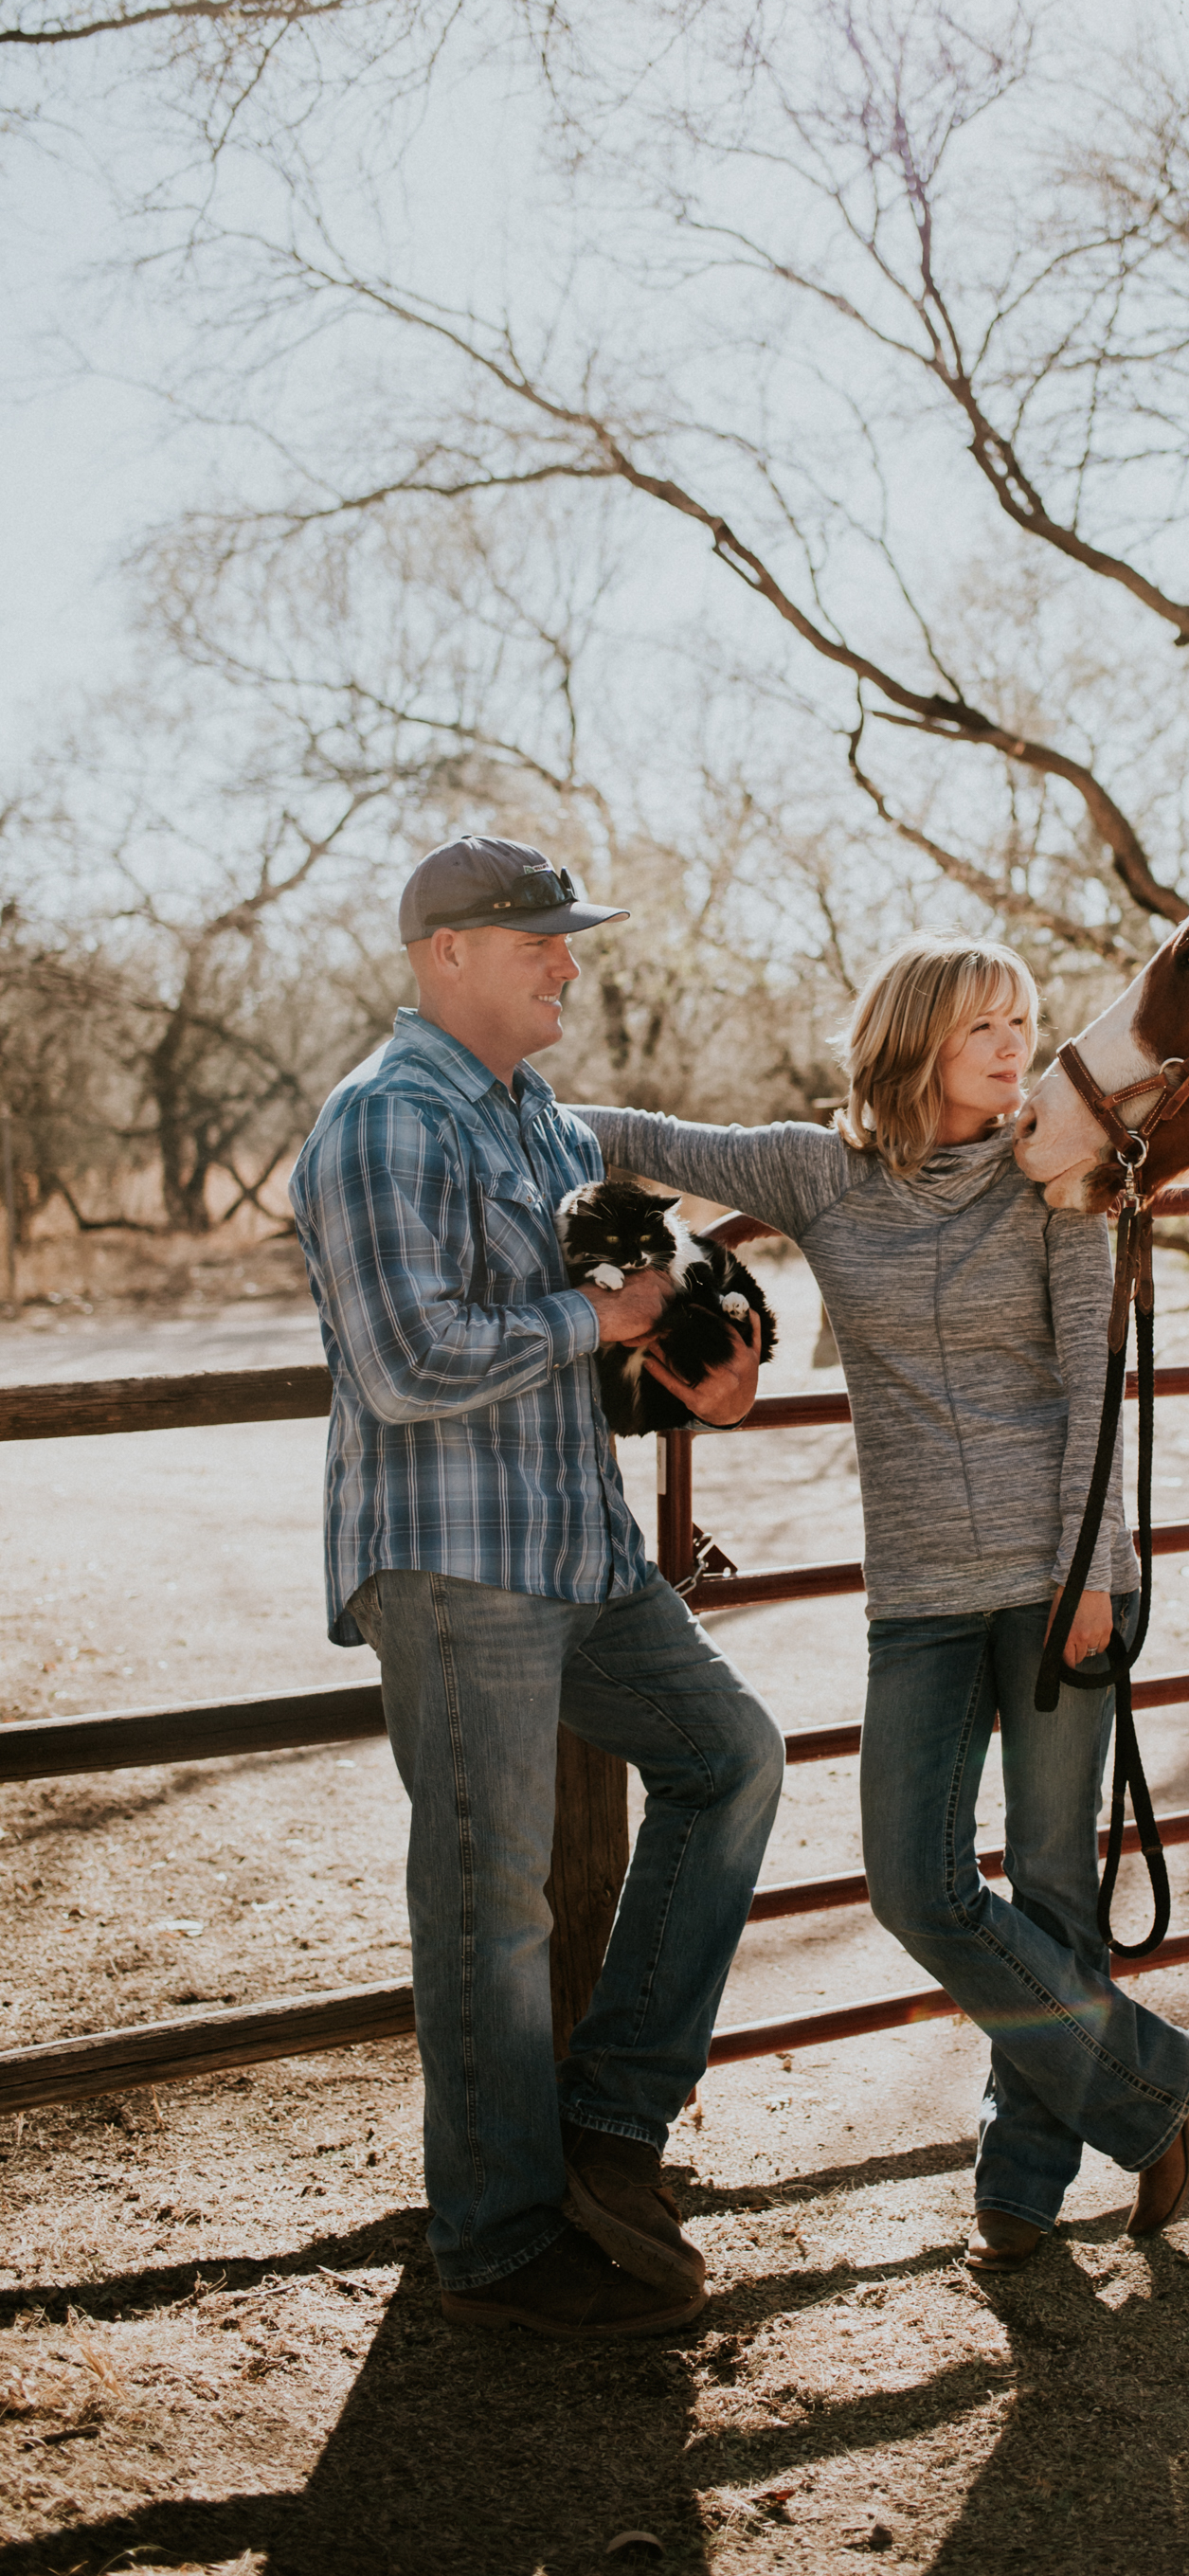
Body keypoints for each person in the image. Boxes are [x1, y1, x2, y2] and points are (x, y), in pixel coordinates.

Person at [572, 934, 1189, 2271]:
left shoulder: (1057, 1177)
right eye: (984, 1024)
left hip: (1058, 1581)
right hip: (920, 1591)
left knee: (1050, 1888)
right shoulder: (822, 1176)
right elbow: (635, 1133)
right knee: (914, 1886)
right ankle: (1149, 2091)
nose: (1013, 1049)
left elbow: (1092, 1396)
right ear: (916, 1034)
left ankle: (1020, 2190)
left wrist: (1090, 1574)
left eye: (1024, 1024)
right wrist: (489, 1100)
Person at [290, 836, 782, 2337]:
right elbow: (407, 1360)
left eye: (569, 940)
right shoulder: (384, 1124)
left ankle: (610, 2128)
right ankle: (500, 2244)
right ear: (444, 953)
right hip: (456, 1563)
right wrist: (597, 1317)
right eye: (537, 942)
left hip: (579, 1550)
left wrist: (697, 1357)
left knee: (732, 1762)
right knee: (488, 1897)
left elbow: (627, 1307)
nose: (569, 961)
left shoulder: (545, 1126)